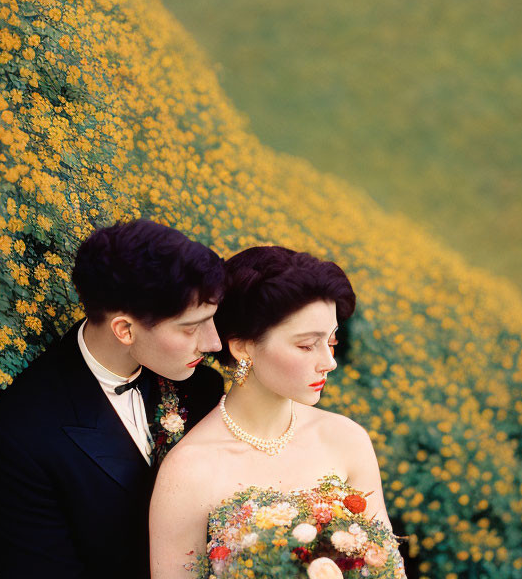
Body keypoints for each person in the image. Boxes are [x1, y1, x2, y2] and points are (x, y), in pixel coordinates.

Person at [0, 219, 226, 579]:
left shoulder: (201, 386)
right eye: (191, 326)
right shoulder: (17, 439)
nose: (214, 343)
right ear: (124, 329)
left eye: (212, 319)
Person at [149, 245, 405, 579]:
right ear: (242, 346)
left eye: (331, 342)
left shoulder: (346, 440)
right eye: (305, 345)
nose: (329, 362)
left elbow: (388, 568)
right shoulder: (189, 472)